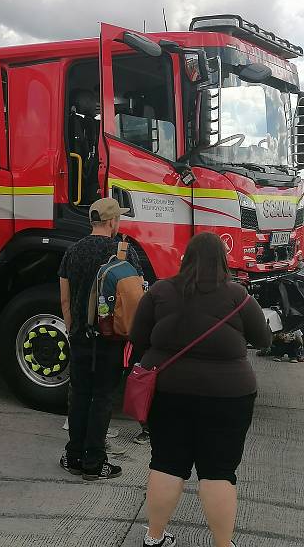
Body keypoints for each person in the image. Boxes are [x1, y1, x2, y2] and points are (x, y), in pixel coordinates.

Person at [130, 232, 271, 547]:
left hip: (168, 392)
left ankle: (154, 539)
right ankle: (223, 544)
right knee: (219, 472)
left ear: (186, 259)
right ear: (222, 261)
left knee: (166, 463)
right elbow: (263, 340)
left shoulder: (159, 292)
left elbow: (138, 339)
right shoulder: (239, 297)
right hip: (229, 396)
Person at [58, 197, 142, 481]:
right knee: (103, 397)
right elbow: (134, 295)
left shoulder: (72, 251)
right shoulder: (124, 252)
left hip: (80, 335)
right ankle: (94, 462)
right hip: (111, 338)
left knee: (79, 394)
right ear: (112, 222)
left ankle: (73, 455)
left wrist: (73, 329)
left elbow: (65, 299)